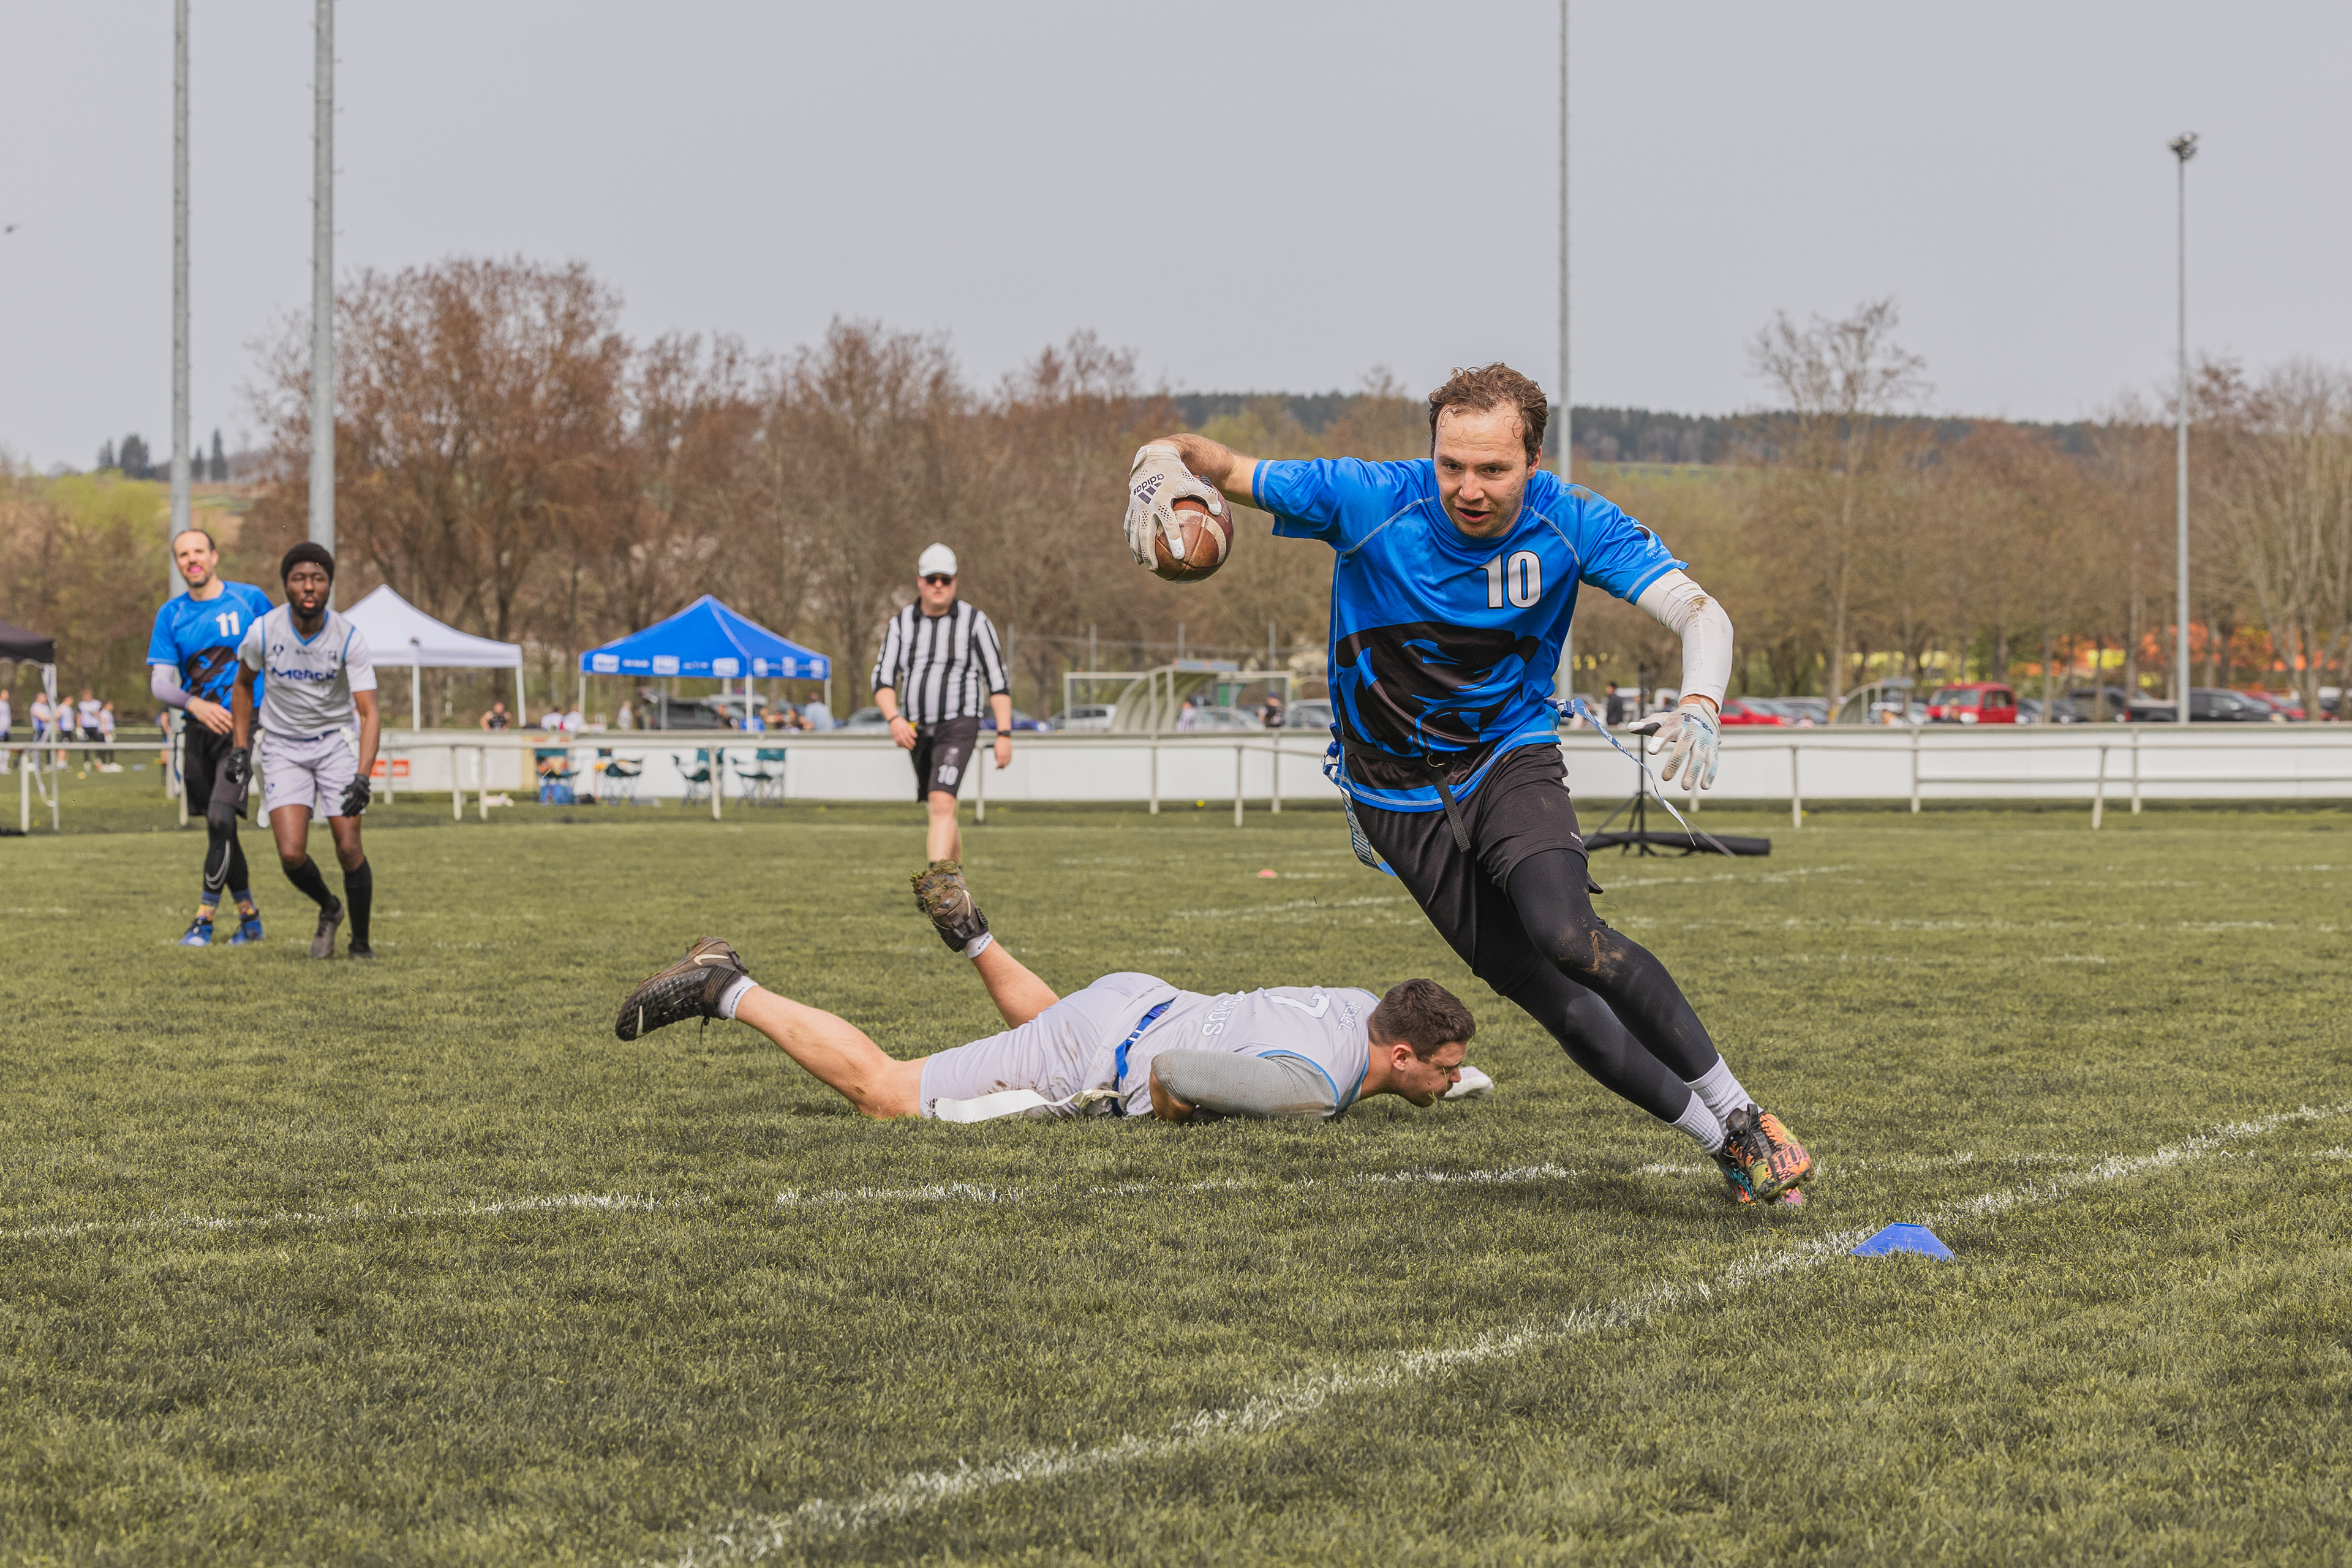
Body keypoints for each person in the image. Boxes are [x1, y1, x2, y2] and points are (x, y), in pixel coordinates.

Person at [1120, 364, 1812, 1205]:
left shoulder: (1573, 520)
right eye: (1452, 465)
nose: (1469, 489)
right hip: (1392, 799)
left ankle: (1742, 1114)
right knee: (1551, 997)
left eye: (1493, 469)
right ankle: (1723, 1146)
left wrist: (1701, 700)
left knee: (1568, 936)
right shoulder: (1367, 498)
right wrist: (1160, 458)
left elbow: (1700, 611)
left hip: (1508, 757)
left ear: (1534, 461)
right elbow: (1219, 463)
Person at [612, 864, 1488, 1122]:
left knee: (1054, 1024)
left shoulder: (1359, 1002)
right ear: (1398, 1052)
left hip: (1131, 995)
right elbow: (1178, 1075)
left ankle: (974, 937)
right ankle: (727, 986)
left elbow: (1411, 1062)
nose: (1451, 1080)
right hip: (1109, 1051)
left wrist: (1462, 1080)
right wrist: (1169, 1120)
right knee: (885, 1092)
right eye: (1444, 1069)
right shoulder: (1319, 1086)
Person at [228, 543, 382, 960]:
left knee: (348, 847)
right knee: (292, 854)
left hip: (334, 745)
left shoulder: (348, 637)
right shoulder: (263, 631)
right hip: (281, 747)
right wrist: (240, 747)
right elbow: (242, 686)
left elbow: (369, 712)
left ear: (329, 585)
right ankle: (330, 908)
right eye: (299, 579)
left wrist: (363, 776)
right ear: (286, 585)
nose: (309, 587)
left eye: (318, 578)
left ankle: (361, 944)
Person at [148, 527, 277, 947]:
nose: (192, 559)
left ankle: (203, 920)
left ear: (214, 556)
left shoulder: (250, 600)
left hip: (243, 729)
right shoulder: (171, 614)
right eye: (183, 554)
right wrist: (195, 705)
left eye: (198, 551)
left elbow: (281, 651)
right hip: (198, 732)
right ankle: (250, 920)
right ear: (178, 563)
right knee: (222, 829)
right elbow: (160, 683)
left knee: (222, 820)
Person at [870, 543, 1013, 868]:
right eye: (932, 579)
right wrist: (894, 719)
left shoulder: (975, 622)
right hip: (916, 729)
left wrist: (1004, 733)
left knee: (941, 802)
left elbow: (998, 681)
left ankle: (938, 884)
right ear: (920, 581)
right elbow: (882, 678)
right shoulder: (901, 624)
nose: (938, 585)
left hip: (959, 723)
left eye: (945, 579)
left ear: (955, 582)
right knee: (941, 807)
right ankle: (956, 880)